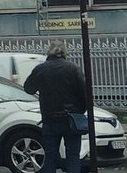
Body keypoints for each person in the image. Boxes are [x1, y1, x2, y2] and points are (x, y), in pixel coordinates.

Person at [23, 41, 88, 173]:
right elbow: (84, 93)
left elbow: (29, 88)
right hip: (72, 119)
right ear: (65, 53)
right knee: (73, 156)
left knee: (50, 157)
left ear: (49, 53)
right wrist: (81, 111)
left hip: (50, 118)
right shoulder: (73, 68)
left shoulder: (40, 69)